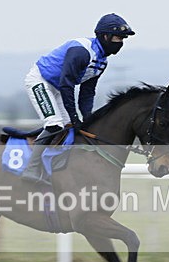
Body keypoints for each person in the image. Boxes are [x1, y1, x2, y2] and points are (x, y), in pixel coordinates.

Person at [20, 13, 135, 184]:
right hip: (41, 80)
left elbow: (87, 92)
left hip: (58, 86)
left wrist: (87, 118)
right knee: (54, 125)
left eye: (123, 38)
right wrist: (75, 117)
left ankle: (56, 169)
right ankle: (31, 169)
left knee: (68, 129)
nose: (121, 43)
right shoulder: (81, 52)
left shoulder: (101, 62)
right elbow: (67, 85)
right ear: (105, 36)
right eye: (119, 38)